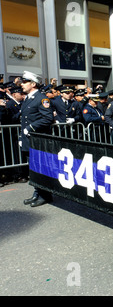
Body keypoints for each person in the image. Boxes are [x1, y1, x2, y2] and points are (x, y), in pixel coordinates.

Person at [20, 71, 54, 207]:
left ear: (33, 84)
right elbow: (24, 119)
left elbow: (48, 118)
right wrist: (22, 136)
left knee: (41, 168)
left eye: (25, 82)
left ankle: (45, 195)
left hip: (38, 140)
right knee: (33, 169)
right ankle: (37, 192)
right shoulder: (28, 98)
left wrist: (31, 128)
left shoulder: (41, 98)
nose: (22, 85)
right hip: (30, 140)